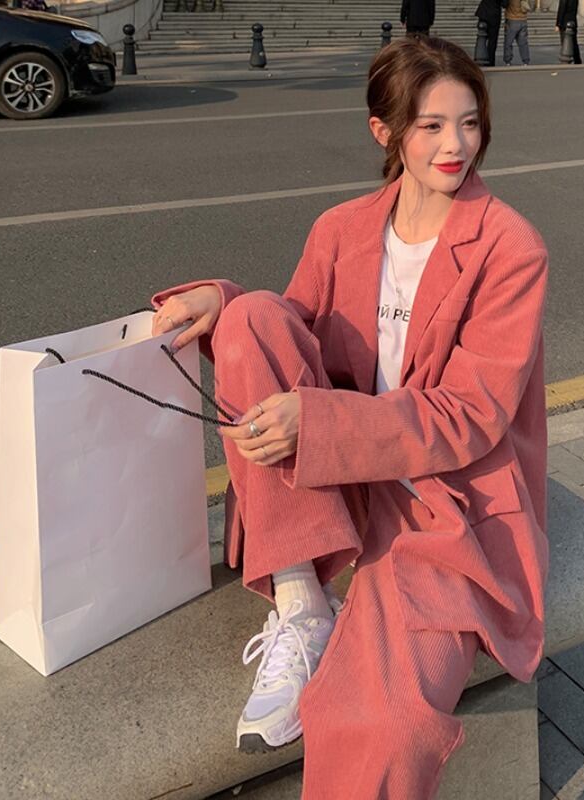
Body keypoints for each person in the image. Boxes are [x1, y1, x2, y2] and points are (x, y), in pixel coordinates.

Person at [149, 35, 549, 798]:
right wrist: (220, 302)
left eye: (469, 122)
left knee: (389, 722)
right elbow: (287, 331)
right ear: (385, 131)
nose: (456, 145)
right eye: (431, 126)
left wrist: (320, 424)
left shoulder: (510, 249)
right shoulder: (341, 228)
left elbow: (470, 416)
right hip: (346, 481)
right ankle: (302, 602)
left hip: (442, 500)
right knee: (251, 317)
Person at [474, 0, 505, 66]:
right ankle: (490, 61)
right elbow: (505, 4)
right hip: (494, 15)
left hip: (483, 13)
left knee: (481, 37)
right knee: (492, 41)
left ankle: (478, 57)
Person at [503, 0, 531, 66]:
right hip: (523, 19)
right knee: (523, 43)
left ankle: (508, 61)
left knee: (508, 42)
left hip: (512, 18)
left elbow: (504, 4)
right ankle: (525, 61)